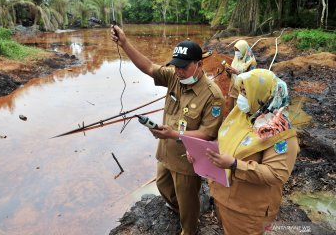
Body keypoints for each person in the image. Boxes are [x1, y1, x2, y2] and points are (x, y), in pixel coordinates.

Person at [111, 25, 224, 235]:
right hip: (166, 150)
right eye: (176, 66)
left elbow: (207, 133)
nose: (179, 71)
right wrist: (124, 43)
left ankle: (189, 228)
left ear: (199, 64)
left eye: (184, 67)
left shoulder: (213, 95)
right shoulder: (174, 77)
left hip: (187, 159)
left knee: (187, 199)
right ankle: (181, 210)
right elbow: (148, 67)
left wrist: (174, 134)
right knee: (164, 186)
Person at [205, 69, 299, 234]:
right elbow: (225, 141)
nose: (241, 98)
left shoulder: (280, 133)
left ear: (262, 95)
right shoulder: (242, 115)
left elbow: (276, 174)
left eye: (245, 92)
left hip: (247, 210)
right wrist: (202, 154)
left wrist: (235, 165)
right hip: (223, 196)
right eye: (240, 91)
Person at [226, 40, 257, 112]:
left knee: (239, 112)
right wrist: (228, 72)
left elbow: (251, 79)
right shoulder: (236, 59)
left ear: (244, 50)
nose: (236, 52)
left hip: (243, 92)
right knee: (230, 110)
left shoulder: (251, 62)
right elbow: (231, 75)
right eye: (235, 50)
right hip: (233, 89)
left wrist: (236, 72)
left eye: (238, 50)